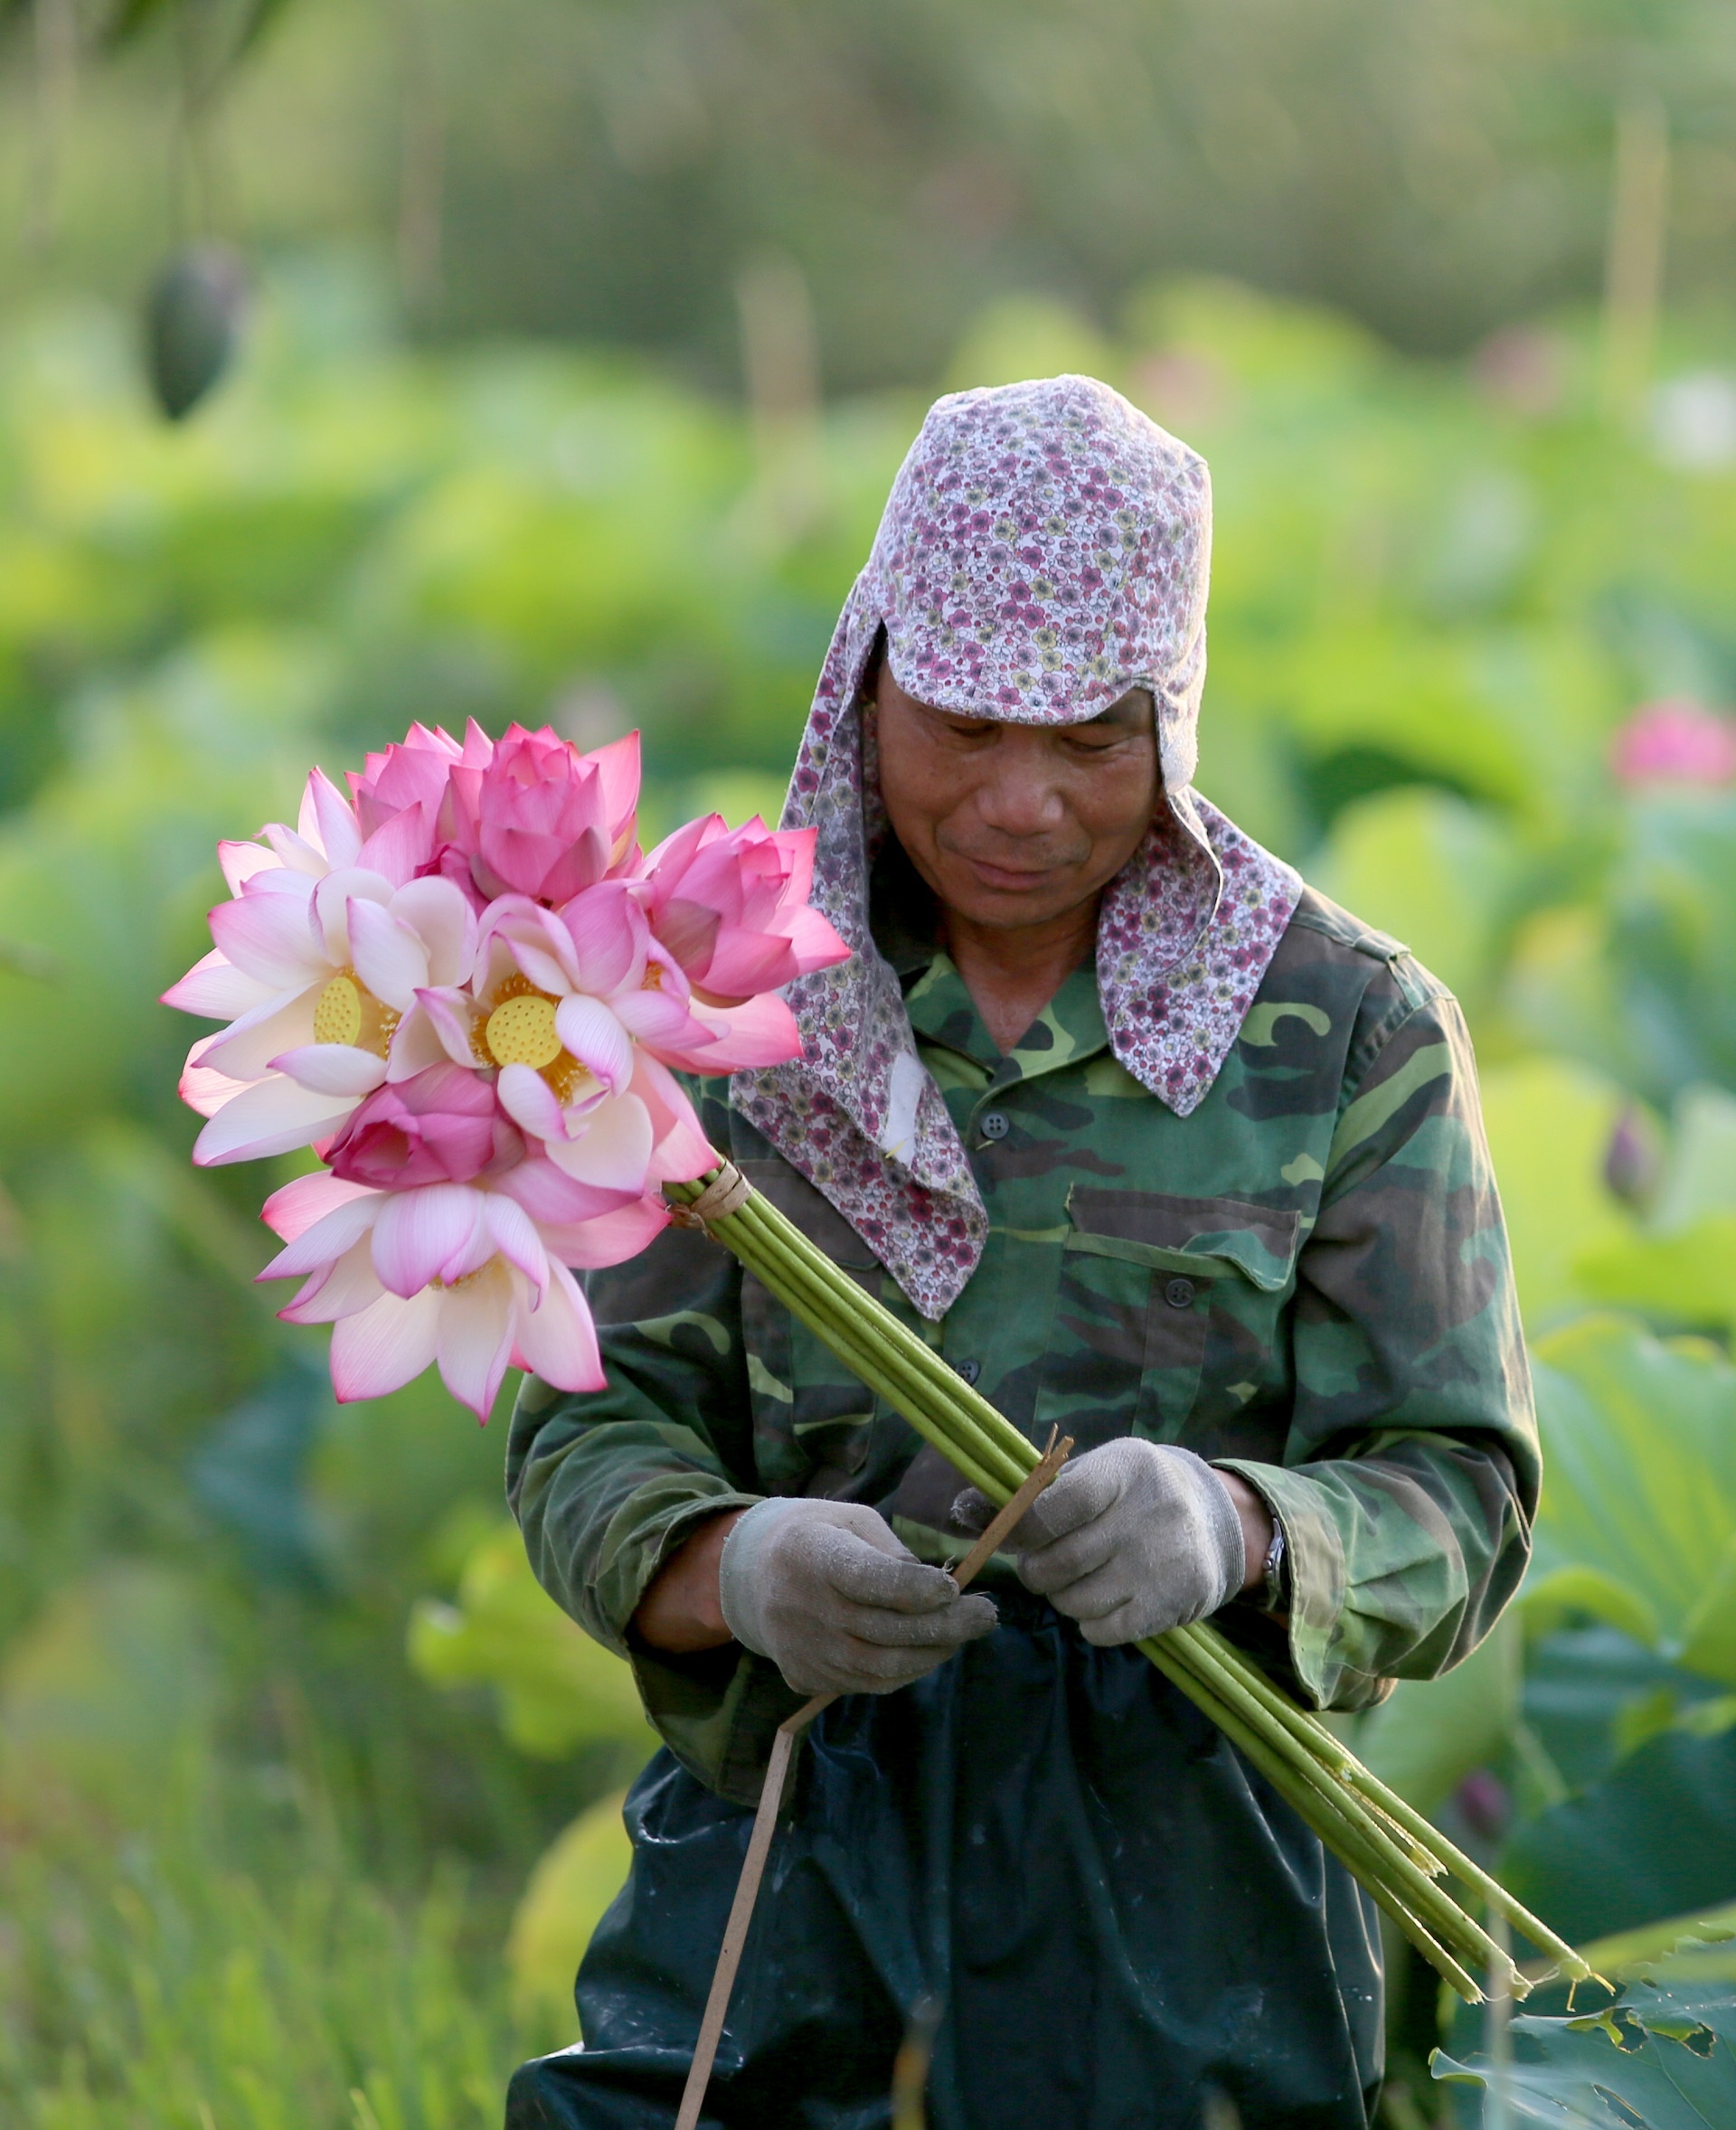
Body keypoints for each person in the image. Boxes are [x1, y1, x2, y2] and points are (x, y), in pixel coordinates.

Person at [504, 375, 1536, 2130]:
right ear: (871, 677)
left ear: (1173, 715)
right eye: (967, 725)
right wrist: (733, 1563)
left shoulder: (1350, 1030)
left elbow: (1463, 1490)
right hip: (796, 1849)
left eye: (1089, 740)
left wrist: (1245, 1529)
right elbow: (584, 1430)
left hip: (1200, 1873)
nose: (1021, 800)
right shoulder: (711, 992)